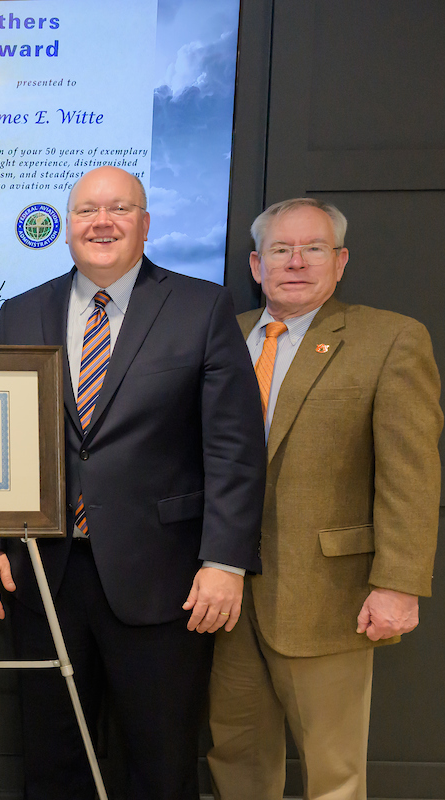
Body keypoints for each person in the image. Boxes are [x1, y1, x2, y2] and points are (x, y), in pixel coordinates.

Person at [0, 166, 266, 799]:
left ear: (146, 224)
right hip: (44, 573)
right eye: (86, 211)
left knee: (158, 761)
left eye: (119, 209)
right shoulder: (21, 312)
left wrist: (225, 562)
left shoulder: (199, 306)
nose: (101, 222)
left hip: (165, 576)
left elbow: (235, 447)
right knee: (53, 758)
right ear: (67, 226)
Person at [207, 198, 442, 800]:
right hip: (222, 596)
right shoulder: (219, 338)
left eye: (312, 248)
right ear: (256, 266)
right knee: (234, 758)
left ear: (340, 262)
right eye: (280, 250)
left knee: (334, 773)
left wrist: (399, 583)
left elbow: (410, 474)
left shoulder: (389, 339)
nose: (296, 262)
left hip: (330, 597)